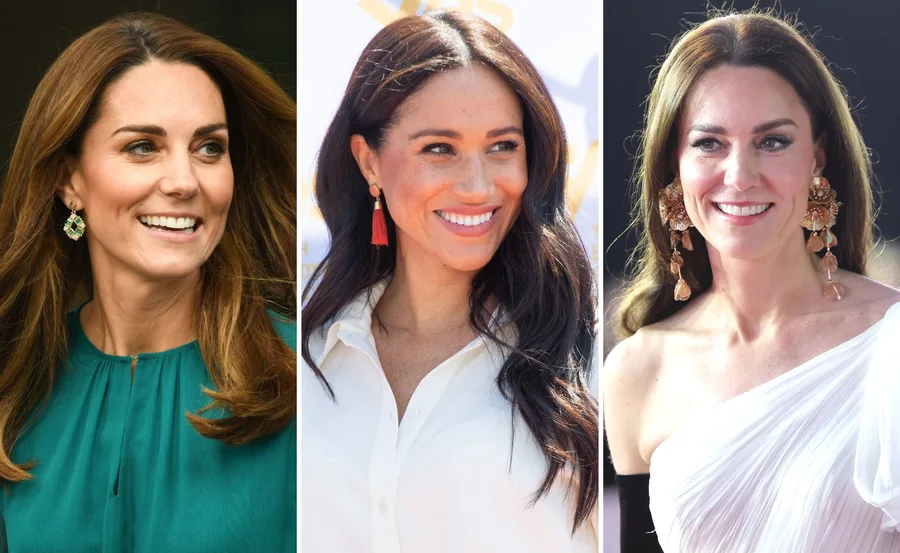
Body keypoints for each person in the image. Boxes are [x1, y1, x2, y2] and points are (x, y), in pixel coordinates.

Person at [301, 10, 598, 553]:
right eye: (439, 149)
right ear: (369, 163)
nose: (478, 185)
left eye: (502, 147)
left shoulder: (588, 359)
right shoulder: (306, 351)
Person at [605, 10, 900, 553]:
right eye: (709, 143)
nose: (739, 176)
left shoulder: (891, 343)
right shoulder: (637, 371)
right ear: (674, 165)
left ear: (818, 156)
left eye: (772, 142)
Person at [0, 13, 297, 553]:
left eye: (210, 148)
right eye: (142, 146)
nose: (184, 182)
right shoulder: (14, 388)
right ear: (70, 180)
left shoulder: (307, 380)